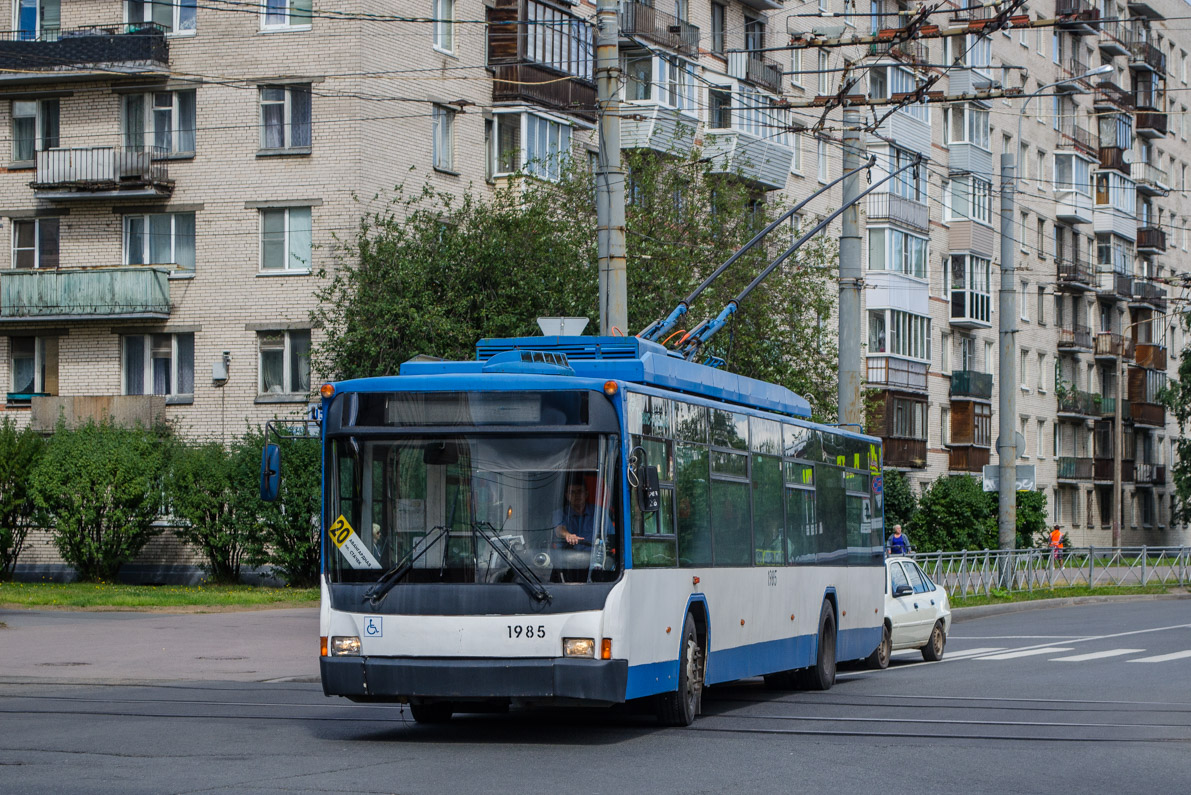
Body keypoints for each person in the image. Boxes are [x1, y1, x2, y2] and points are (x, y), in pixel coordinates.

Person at [554, 479, 599, 549]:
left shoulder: (598, 512)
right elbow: (559, 529)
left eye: (580, 491)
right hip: (566, 554)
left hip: (592, 554)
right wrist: (568, 535)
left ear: (586, 494)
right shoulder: (560, 513)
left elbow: (610, 535)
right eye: (572, 492)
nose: (576, 495)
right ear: (567, 496)